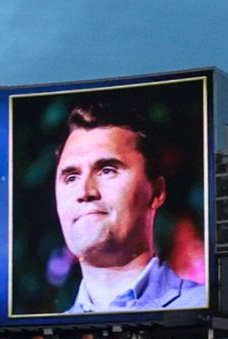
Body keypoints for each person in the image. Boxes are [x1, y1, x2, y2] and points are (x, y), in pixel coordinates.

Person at [53, 98, 205, 313]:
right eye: (71, 177)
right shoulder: (51, 332)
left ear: (157, 192)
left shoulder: (200, 308)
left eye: (107, 170)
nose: (85, 192)